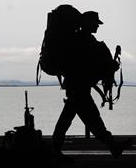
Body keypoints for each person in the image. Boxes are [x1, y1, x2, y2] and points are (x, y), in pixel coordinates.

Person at [52, 11, 131, 163]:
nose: (97, 26)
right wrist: (110, 66)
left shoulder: (80, 39)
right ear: (87, 23)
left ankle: (112, 146)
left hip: (77, 86)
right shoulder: (84, 40)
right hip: (79, 87)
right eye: (95, 23)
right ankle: (112, 146)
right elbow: (91, 65)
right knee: (89, 120)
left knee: (77, 119)